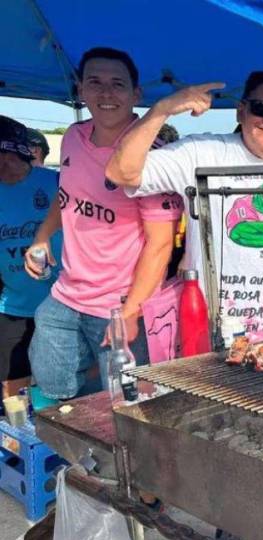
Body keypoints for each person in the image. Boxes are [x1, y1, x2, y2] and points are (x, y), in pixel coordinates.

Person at [106, 70, 263, 341]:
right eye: (260, 108)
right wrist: (162, 110)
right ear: (241, 112)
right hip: (210, 333)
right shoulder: (202, 152)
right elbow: (121, 172)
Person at [25, 47, 181, 400]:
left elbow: (160, 244)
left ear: (136, 94)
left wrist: (131, 311)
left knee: (129, 402)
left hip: (121, 304)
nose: (106, 93)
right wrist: (43, 236)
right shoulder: (73, 136)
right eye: (95, 82)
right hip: (66, 294)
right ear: (81, 89)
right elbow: (67, 195)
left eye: (117, 84)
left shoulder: (154, 154)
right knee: (52, 387)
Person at [0, 116, 61, 401]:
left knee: (71, 376)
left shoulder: (55, 181)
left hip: (62, 302)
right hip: (14, 304)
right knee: (11, 382)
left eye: (5, 157)